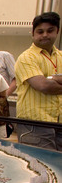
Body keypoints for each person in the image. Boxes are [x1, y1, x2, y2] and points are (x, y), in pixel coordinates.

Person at [15, 12, 62, 151]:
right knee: (37, 166)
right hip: (35, 124)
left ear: (57, 31)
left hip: (59, 122)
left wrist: (51, 79)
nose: (45, 35)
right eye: (40, 31)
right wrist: (50, 81)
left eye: (50, 31)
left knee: (58, 169)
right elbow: (43, 85)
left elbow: (46, 83)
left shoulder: (60, 56)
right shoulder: (26, 58)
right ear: (33, 33)